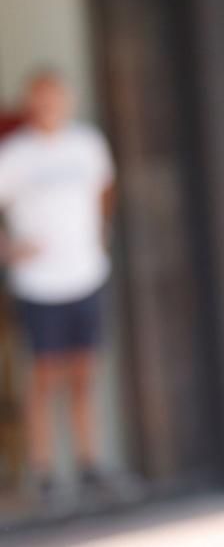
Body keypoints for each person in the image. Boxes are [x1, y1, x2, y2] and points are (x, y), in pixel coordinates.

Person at [0, 71, 115, 503]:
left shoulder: (87, 145)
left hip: (84, 275)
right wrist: (9, 250)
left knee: (85, 373)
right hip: (38, 284)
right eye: (41, 98)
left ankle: (90, 464)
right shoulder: (15, 154)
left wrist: (99, 235)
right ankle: (44, 471)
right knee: (43, 378)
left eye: (56, 97)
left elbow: (105, 191)